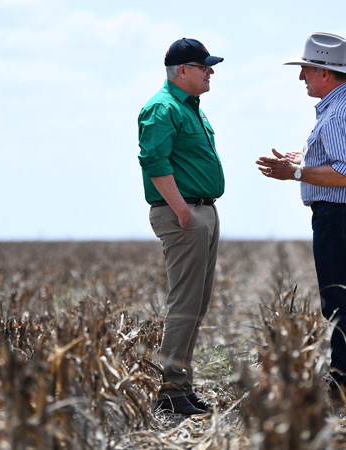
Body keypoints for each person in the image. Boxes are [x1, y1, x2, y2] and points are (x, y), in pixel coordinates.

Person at [255, 32, 346, 414]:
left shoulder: (339, 114)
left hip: (338, 214)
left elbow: (345, 173)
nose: (301, 78)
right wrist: (304, 157)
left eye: (305, 70)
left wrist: (294, 173)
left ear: (324, 73)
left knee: (340, 303)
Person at [137, 38, 224, 416]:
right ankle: (171, 392)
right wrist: (182, 210)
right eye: (204, 66)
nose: (211, 72)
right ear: (183, 70)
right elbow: (153, 160)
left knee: (197, 304)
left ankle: (182, 387)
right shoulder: (162, 107)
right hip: (183, 213)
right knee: (184, 306)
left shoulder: (192, 108)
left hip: (202, 211)